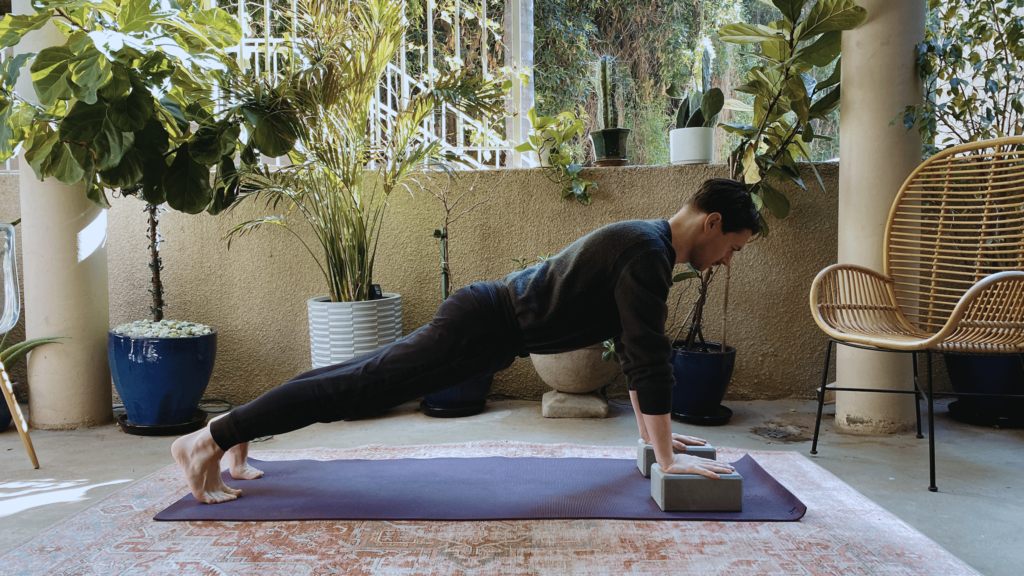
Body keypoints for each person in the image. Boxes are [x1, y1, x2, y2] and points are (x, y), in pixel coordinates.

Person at [172, 178, 761, 504]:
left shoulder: (648, 245)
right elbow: (651, 359)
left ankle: (236, 435)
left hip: (485, 326)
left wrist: (654, 440)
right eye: (733, 247)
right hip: (481, 325)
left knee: (357, 377)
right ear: (711, 222)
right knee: (358, 388)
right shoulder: (649, 254)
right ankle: (209, 441)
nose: (726, 262)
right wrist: (665, 459)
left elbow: (638, 356)